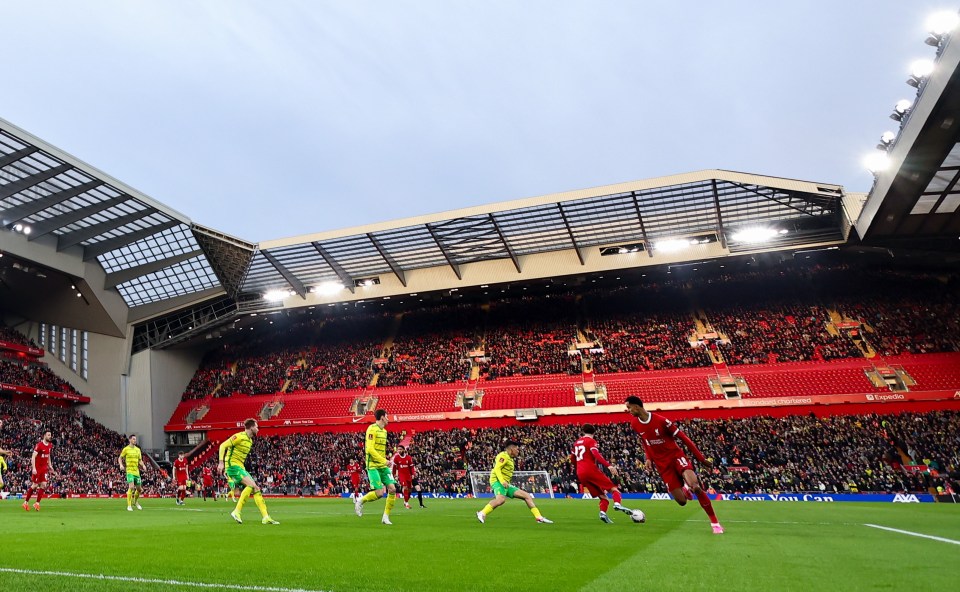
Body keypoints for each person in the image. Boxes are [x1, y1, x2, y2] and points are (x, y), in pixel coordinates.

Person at [624, 396, 723, 534]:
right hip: (662, 465)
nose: (627, 410)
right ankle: (684, 488)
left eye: (629, 407)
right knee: (682, 501)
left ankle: (715, 523)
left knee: (696, 487)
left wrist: (701, 459)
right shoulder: (634, 424)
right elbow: (644, 441)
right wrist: (648, 458)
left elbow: (684, 439)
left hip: (676, 457)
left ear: (637, 406)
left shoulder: (661, 421)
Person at [218, 418, 279, 525]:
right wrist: (221, 462)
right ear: (251, 427)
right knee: (251, 485)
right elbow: (223, 445)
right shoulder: (239, 436)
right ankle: (236, 511)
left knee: (256, 488)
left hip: (240, 467)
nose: (258, 429)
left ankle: (266, 517)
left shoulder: (250, 441)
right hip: (232, 466)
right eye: (256, 427)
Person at [476, 440, 553, 524]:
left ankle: (539, 517)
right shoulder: (503, 456)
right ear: (511, 449)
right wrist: (502, 481)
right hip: (497, 481)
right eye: (517, 449)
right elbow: (497, 468)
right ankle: (482, 513)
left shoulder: (510, 458)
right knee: (500, 500)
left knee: (526, 496)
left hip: (505, 483)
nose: (518, 451)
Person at [570, 424, 631, 523]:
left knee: (603, 496)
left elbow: (572, 458)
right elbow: (595, 454)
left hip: (580, 473)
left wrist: (579, 468)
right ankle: (617, 504)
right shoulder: (591, 441)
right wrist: (609, 465)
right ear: (594, 432)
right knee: (613, 489)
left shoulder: (577, 443)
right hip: (590, 469)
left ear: (583, 432)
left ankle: (603, 513)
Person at [354, 409, 398, 525]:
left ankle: (385, 517)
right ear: (382, 417)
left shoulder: (384, 431)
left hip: (382, 466)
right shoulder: (371, 429)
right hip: (373, 465)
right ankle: (360, 500)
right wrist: (384, 461)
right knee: (379, 493)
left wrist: (384, 462)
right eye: (387, 416)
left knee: (392, 489)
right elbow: (369, 449)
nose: (388, 418)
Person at [24, 430, 54, 512]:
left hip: (44, 469)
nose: (50, 436)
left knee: (43, 485)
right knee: (34, 485)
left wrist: (50, 465)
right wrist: (33, 468)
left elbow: (48, 456)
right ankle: (25, 502)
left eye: (50, 435)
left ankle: (37, 503)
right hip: (37, 468)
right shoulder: (39, 445)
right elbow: (33, 457)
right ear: (44, 435)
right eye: (48, 435)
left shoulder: (50, 445)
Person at [119, 434, 146, 511]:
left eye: (135, 439)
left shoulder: (138, 450)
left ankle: (136, 502)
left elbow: (140, 460)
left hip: (136, 472)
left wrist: (143, 465)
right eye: (133, 439)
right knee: (131, 487)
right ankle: (129, 505)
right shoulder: (126, 449)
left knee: (139, 489)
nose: (135, 440)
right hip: (129, 471)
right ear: (130, 440)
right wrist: (121, 464)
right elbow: (120, 458)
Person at [391, 445, 417, 509]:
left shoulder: (408, 457)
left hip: (408, 475)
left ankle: (406, 501)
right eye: (398, 449)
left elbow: (411, 467)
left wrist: (413, 474)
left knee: (410, 489)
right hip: (401, 475)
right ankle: (406, 503)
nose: (399, 451)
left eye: (400, 449)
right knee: (405, 487)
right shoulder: (396, 457)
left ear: (403, 450)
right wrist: (394, 475)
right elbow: (394, 467)